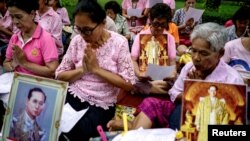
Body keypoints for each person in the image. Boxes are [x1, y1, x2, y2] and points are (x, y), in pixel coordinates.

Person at [107, 22, 244, 131]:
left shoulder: (232, 80)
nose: (196, 58)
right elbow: (173, 93)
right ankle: (135, 130)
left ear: (220, 53)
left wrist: (199, 89)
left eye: (204, 53)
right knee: (152, 103)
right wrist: (190, 89)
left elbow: (232, 121)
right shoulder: (190, 67)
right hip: (182, 109)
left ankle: (133, 126)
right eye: (193, 51)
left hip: (205, 123)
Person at [55, 0, 136, 140]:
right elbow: (59, 75)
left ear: (103, 23)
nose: (83, 35)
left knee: (76, 134)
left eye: (87, 30)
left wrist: (97, 69)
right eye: (78, 29)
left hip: (102, 102)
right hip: (75, 93)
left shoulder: (119, 43)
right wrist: (83, 70)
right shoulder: (77, 41)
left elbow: (128, 83)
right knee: (53, 125)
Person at [3, 0, 59, 77]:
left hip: (36, 85)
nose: (15, 21)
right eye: (12, 17)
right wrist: (13, 64)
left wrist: (24, 63)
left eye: (19, 17)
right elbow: (6, 62)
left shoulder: (45, 38)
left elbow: (52, 70)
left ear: (32, 14)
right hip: (16, 80)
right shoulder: (15, 37)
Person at [0, 0, 18, 66]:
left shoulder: (12, 14)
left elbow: (16, 36)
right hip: (1, 41)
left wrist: (2, 29)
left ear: (4, 3)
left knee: (3, 51)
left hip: (10, 42)